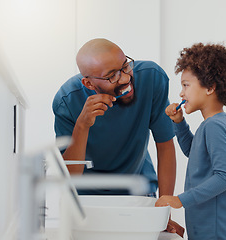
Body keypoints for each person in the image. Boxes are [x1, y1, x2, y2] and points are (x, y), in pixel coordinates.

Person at [52, 38, 184, 236]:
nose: (124, 79)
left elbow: (165, 146)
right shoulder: (67, 101)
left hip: (139, 191)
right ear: (88, 83)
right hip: (87, 199)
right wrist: (82, 125)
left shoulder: (151, 79)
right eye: (111, 76)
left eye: (125, 67)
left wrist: (164, 213)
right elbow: (71, 178)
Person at [155, 43, 226, 240]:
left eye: (186, 85)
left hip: (212, 229)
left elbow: (224, 177)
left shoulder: (214, 126)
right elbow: (193, 152)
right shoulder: (217, 122)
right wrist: (179, 123)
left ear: (210, 87)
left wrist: (180, 200)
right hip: (205, 224)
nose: (181, 93)